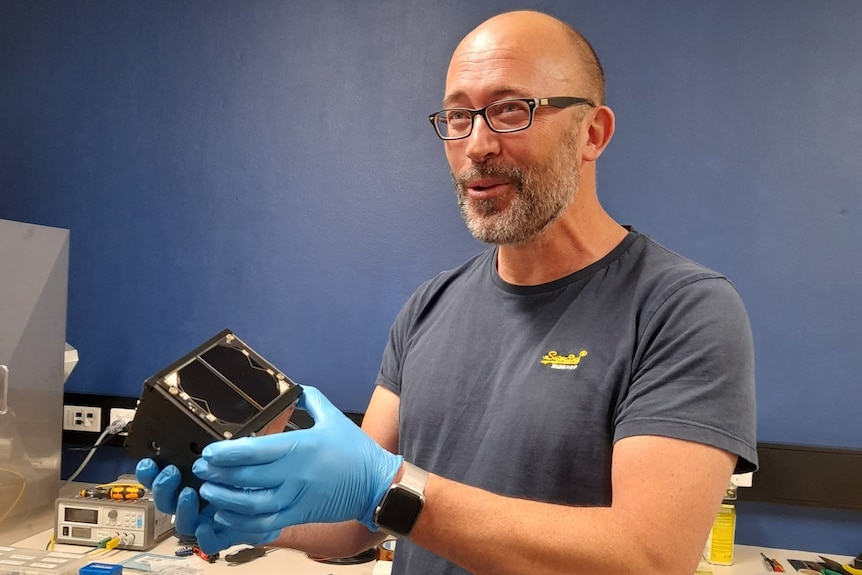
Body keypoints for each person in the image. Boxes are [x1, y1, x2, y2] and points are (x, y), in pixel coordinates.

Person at [136, 10, 757, 575]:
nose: (477, 146)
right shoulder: (429, 308)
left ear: (592, 133)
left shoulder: (683, 309)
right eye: (458, 116)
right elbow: (356, 519)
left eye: (512, 109)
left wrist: (392, 490)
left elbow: (648, 557)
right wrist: (262, 518)